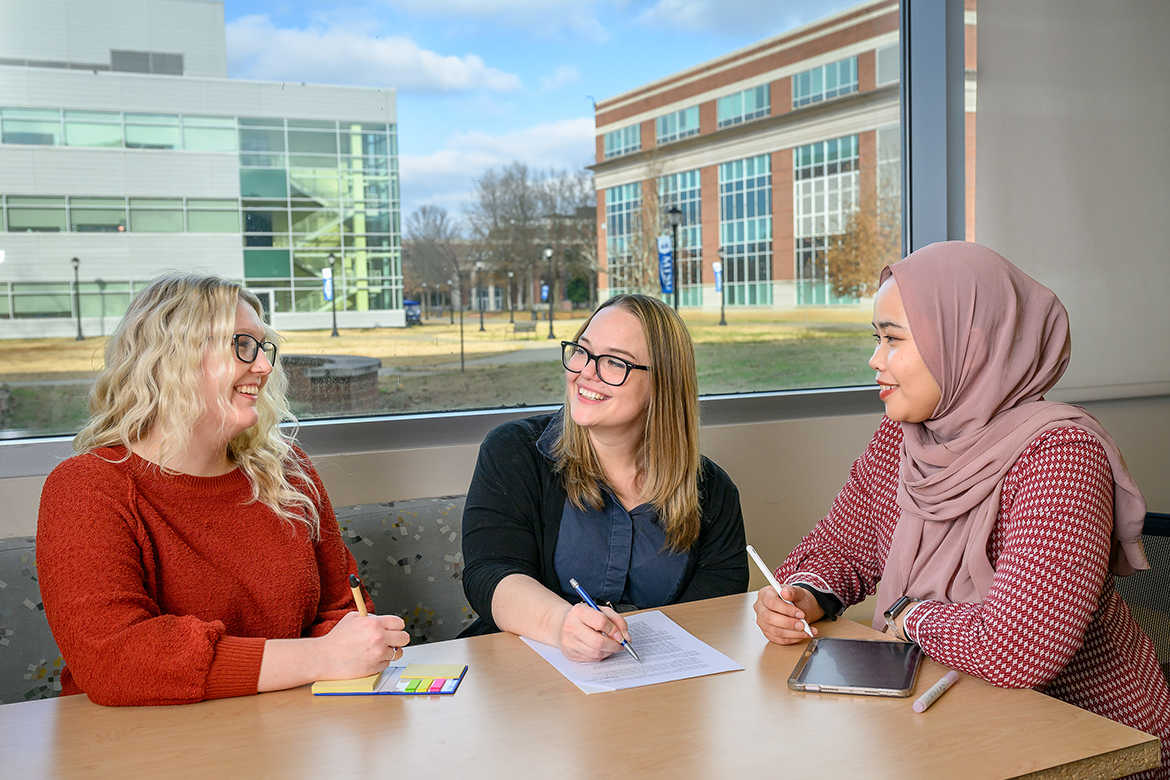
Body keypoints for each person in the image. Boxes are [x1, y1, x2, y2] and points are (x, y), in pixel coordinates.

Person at [754, 242, 1169, 778]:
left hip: (1086, 741)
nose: (875, 360)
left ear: (963, 344)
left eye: (893, 340)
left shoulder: (1062, 456)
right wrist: (802, 595)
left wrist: (907, 614)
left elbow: (1019, 647)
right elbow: (840, 546)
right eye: (875, 339)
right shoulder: (901, 437)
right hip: (942, 718)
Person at [36, 275, 409, 706]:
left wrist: (353, 646)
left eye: (263, 346)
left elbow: (341, 612)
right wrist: (320, 656)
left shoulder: (288, 472)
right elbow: (115, 658)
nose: (265, 367)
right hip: (134, 743)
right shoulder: (86, 489)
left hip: (285, 731)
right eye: (242, 345)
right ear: (173, 358)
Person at [461, 293, 748, 661]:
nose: (585, 372)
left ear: (663, 383)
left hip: (656, 689)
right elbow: (490, 573)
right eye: (582, 350)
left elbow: (716, 613)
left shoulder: (713, 491)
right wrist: (560, 623)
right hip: (524, 683)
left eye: (615, 362)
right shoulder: (514, 451)